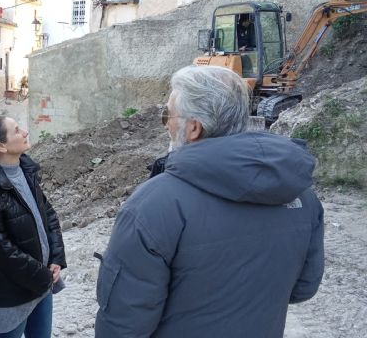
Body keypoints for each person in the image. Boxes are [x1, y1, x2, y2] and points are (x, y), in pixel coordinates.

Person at [95, 65, 324, 338]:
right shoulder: (301, 195)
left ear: (193, 128)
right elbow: (303, 288)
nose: (166, 123)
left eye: (167, 114)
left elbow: (123, 324)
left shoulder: (152, 205)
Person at [0, 115, 67, 338]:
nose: (25, 132)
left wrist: (55, 258)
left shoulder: (25, 169)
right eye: (16, 130)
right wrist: (42, 275)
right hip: (8, 293)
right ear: (1, 146)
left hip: (39, 283)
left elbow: (48, 215)